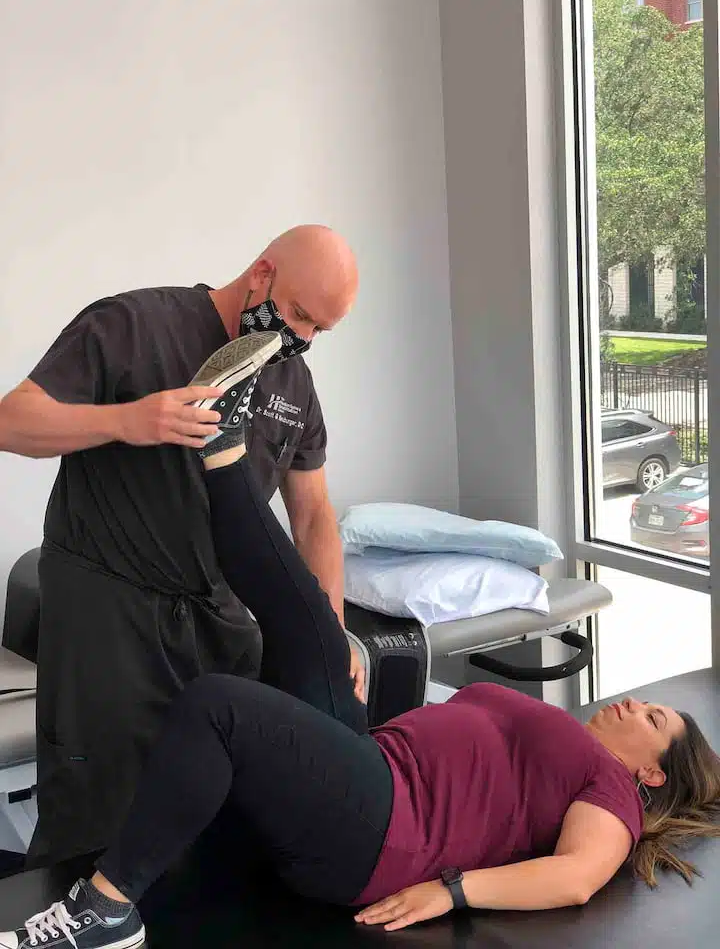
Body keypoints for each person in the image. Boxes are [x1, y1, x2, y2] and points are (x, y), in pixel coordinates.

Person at [3, 340, 720, 949]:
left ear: (652, 775)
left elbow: (575, 877)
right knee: (307, 619)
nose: (635, 705)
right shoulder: (572, 748)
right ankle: (222, 447)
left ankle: (103, 912)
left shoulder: (613, 796)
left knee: (219, 705)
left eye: (654, 720)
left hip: (384, 833)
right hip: (373, 769)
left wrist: (452, 892)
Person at [0, 225, 364, 868]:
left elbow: (313, 518)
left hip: (218, 623)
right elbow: (12, 420)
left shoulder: (292, 383)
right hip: (108, 610)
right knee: (95, 820)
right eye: (299, 315)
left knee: (214, 816)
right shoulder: (131, 325)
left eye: (320, 331)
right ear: (261, 273)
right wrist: (128, 420)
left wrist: (327, 635)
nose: (302, 339)